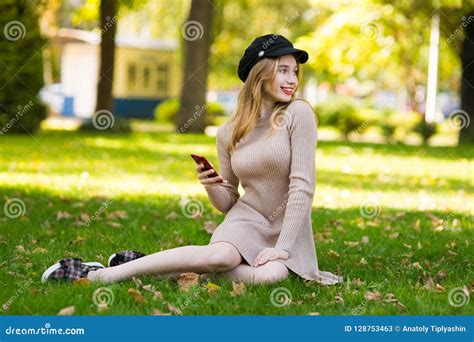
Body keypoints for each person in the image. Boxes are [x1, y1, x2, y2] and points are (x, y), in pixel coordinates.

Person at [41, 34, 343, 286]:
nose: (292, 79)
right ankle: (100, 276)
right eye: (283, 70)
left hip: (286, 229)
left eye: (294, 72)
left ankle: (146, 266)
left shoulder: (298, 115)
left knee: (270, 277)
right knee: (221, 258)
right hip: (245, 222)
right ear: (259, 73)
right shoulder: (229, 131)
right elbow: (228, 202)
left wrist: (283, 249)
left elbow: (302, 188)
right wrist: (211, 186)